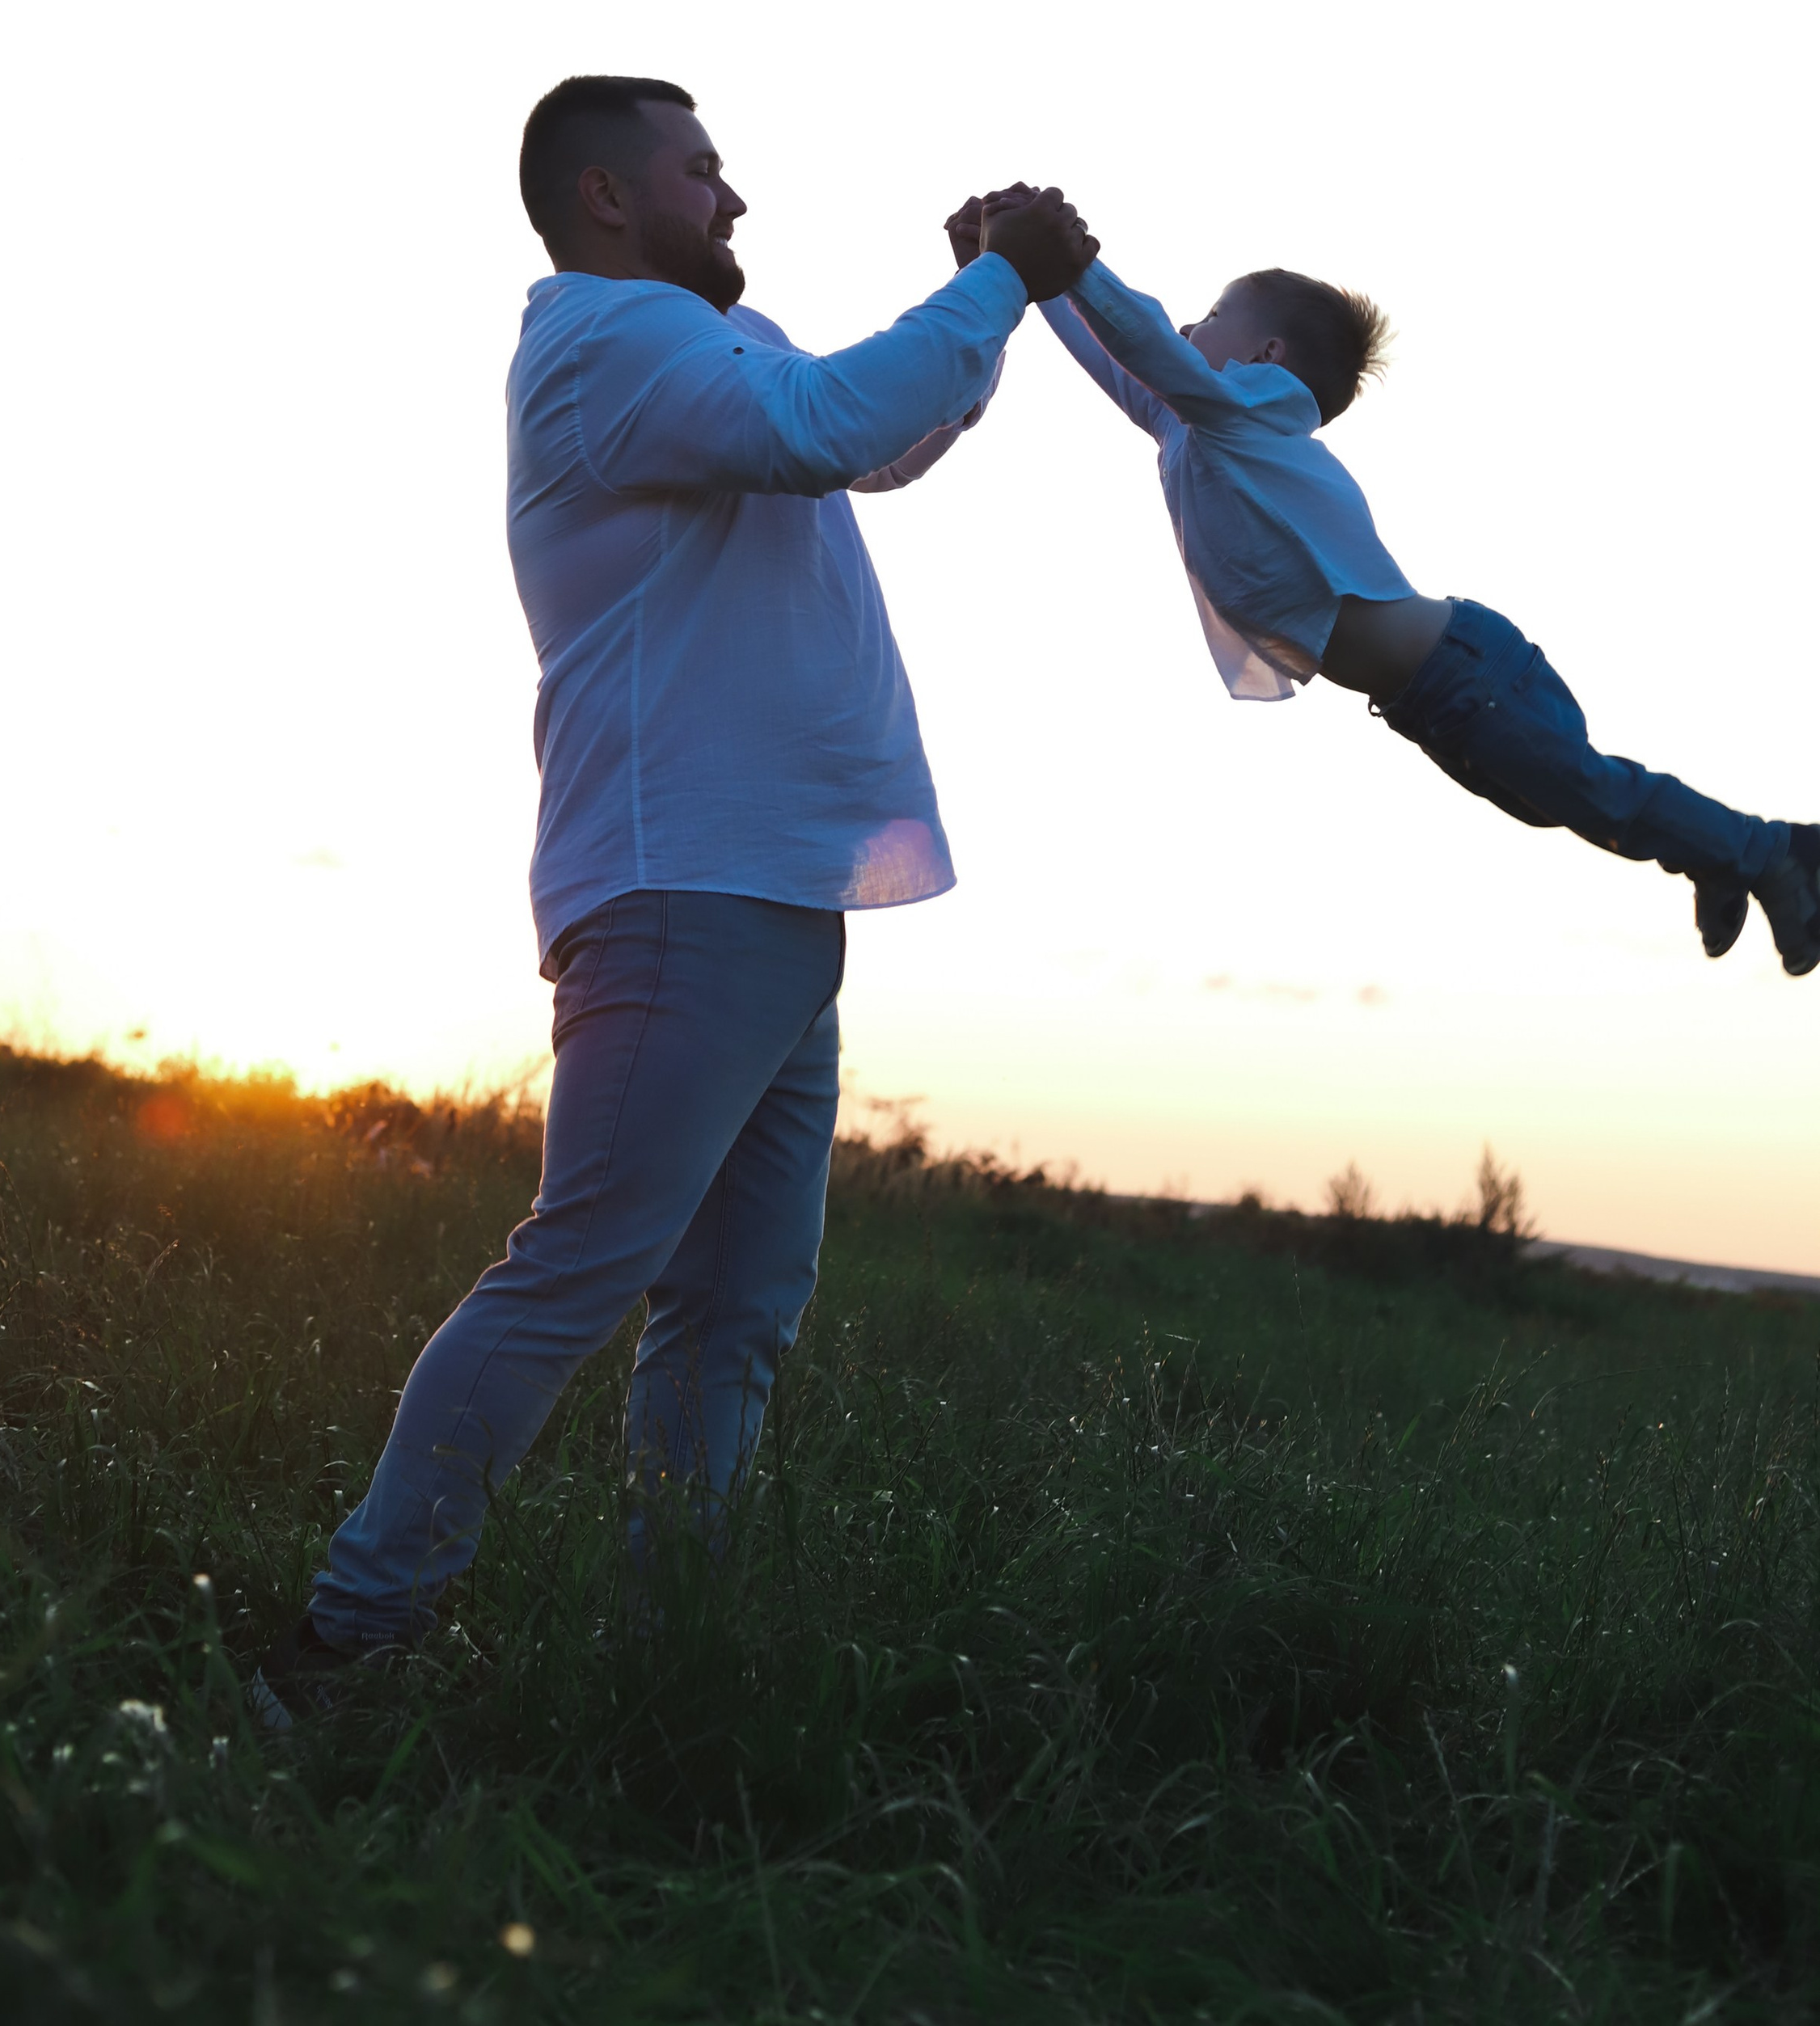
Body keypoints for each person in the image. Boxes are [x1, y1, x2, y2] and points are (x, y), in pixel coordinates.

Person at [248, 87, 1097, 1723]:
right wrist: (999, 280)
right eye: (701, 169)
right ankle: (347, 1645)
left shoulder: (703, 347)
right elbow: (829, 425)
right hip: (679, 885)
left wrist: (978, 303)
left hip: (765, 893)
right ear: (603, 196)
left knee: (732, 1310)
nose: (735, 197)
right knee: (579, 1269)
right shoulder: (606, 338)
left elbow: (872, 440)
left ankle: (661, 1661)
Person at [946, 194, 1820, 977]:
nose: (1185, 326)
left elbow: (1139, 338)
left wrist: (1076, 267)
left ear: (1265, 357)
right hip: (1434, 696)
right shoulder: (1193, 425)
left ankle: (1771, 852)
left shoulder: (1248, 409)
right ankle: (1717, 853)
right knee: (1556, 803)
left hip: (1465, 674)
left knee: (1585, 792)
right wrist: (1016, 273)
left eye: (1209, 316)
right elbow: (1117, 360)